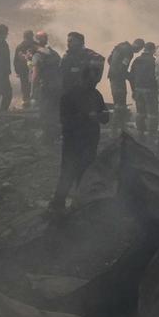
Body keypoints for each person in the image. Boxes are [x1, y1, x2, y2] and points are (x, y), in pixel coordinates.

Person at [50, 63, 110, 213]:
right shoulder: (69, 95)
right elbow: (65, 120)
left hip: (90, 141)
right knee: (68, 172)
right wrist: (85, 117)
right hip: (73, 141)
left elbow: (106, 116)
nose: (94, 84)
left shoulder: (96, 95)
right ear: (84, 78)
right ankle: (58, 203)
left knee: (85, 172)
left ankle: (79, 204)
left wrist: (101, 116)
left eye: (96, 81)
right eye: (92, 80)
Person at [31, 33, 63, 142]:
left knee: (45, 111)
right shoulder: (54, 54)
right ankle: (57, 134)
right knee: (55, 111)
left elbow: (35, 75)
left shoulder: (38, 56)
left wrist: (32, 91)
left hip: (46, 87)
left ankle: (47, 136)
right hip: (57, 86)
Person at [128, 38, 158, 134]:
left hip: (138, 89)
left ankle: (140, 131)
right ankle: (152, 132)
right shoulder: (154, 61)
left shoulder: (136, 60)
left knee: (140, 112)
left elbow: (131, 76)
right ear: (153, 50)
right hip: (150, 90)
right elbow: (156, 77)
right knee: (152, 113)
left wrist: (133, 90)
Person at [107, 40, 136, 124]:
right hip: (118, 78)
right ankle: (119, 126)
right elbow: (123, 67)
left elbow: (109, 60)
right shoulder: (129, 52)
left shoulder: (119, 46)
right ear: (138, 47)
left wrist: (114, 67)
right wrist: (129, 76)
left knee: (117, 101)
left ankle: (117, 126)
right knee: (120, 103)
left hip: (112, 76)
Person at [14, 30, 38, 109]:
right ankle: (33, 105)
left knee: (25, 87)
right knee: (33, 87)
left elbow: (16, 61)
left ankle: (26, 104)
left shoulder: (20, 46)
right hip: (33, 71)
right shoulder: (36, 45)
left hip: (24, 71)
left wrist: (17, 71)